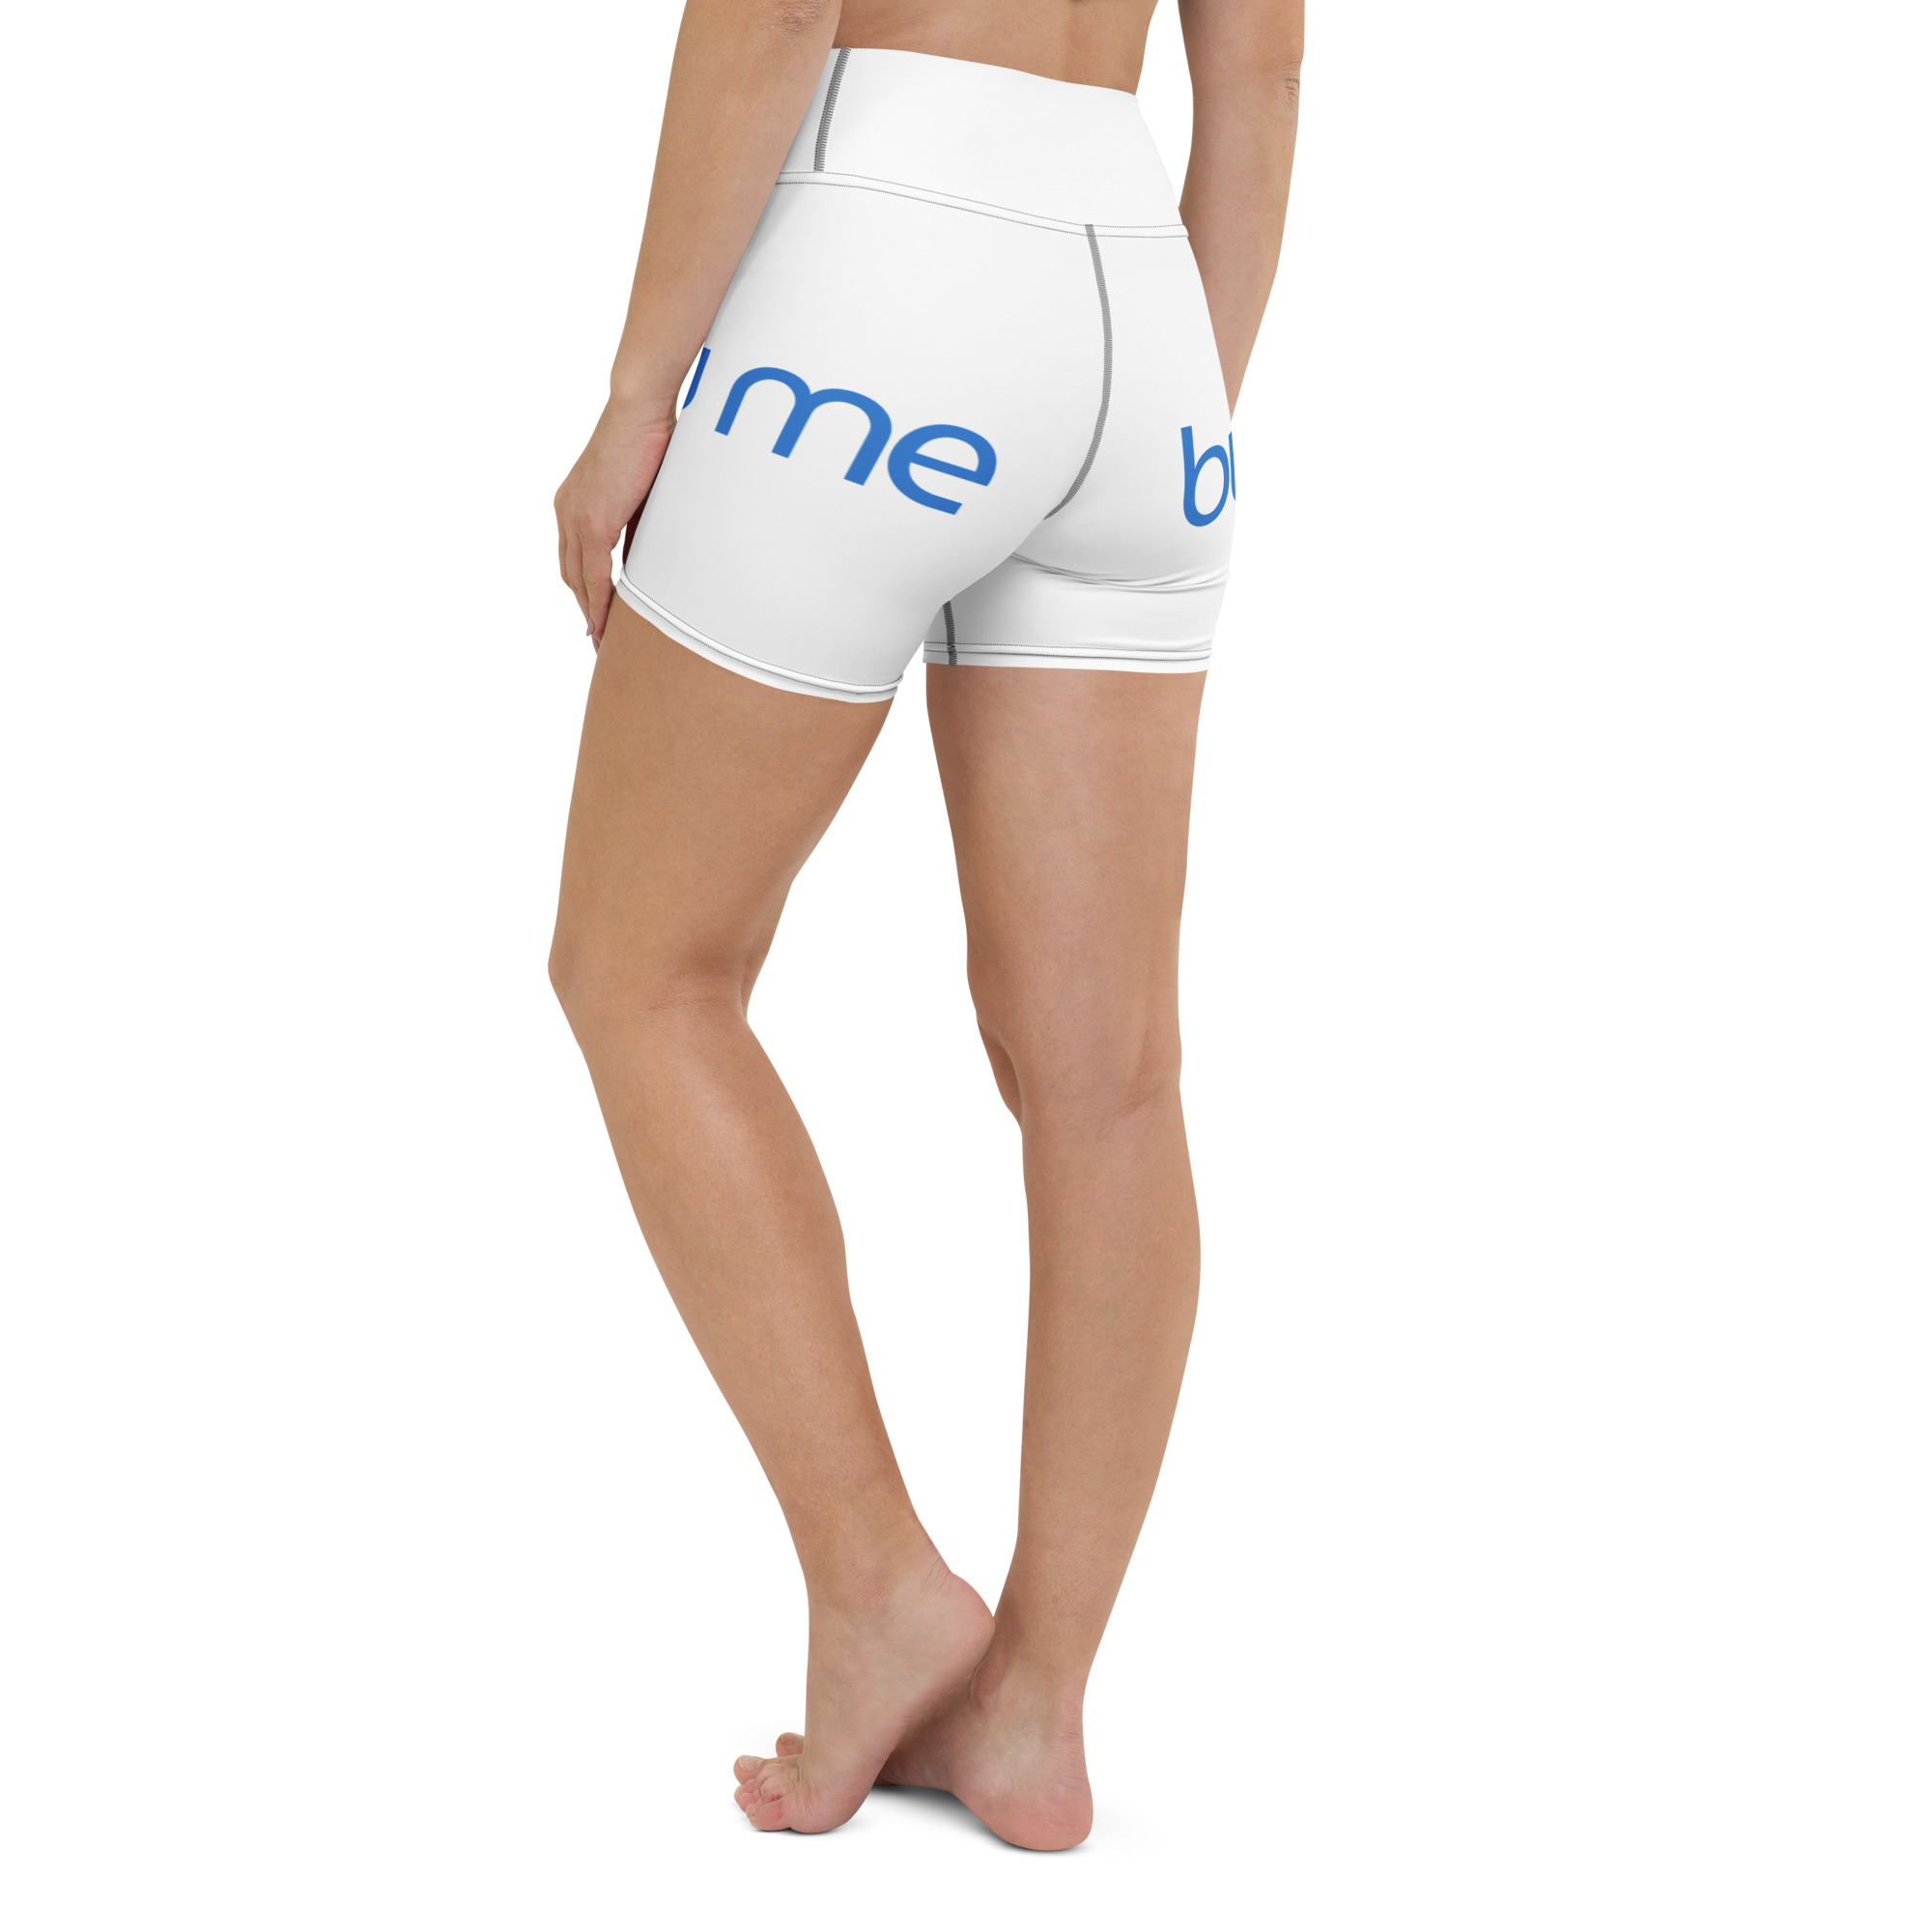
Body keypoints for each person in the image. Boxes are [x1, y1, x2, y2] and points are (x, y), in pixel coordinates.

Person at [550, 0, 1301, 1850]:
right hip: (1144, 312)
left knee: (643, 970)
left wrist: (638, 394)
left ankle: (877, 1579)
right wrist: (1158, 418)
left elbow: (774, 15)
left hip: (881, 262)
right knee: (1109, 1073)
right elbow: (1263, 69)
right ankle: (1034, 1712)